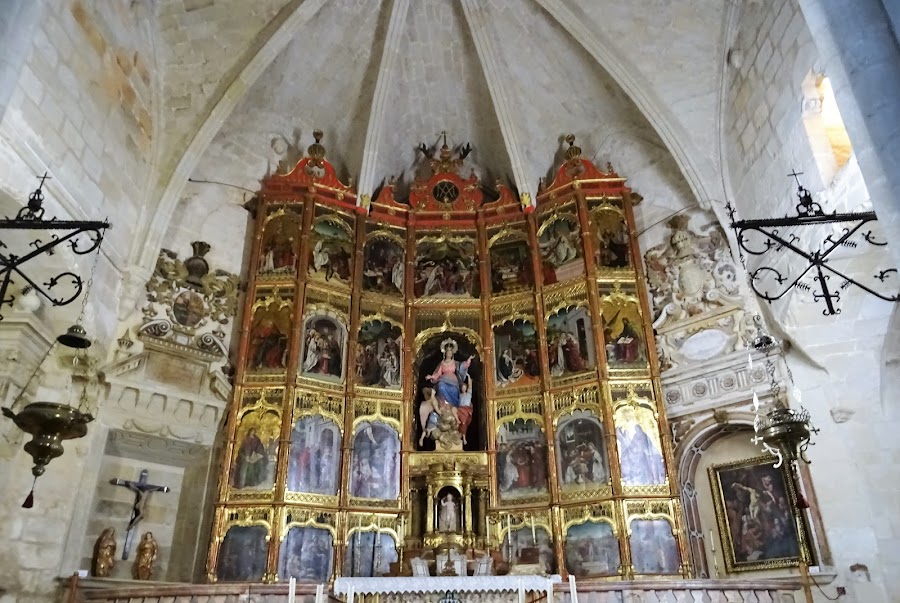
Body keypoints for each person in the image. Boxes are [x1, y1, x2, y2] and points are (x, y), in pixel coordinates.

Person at [425, 339, 474, 439]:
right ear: (445, 353)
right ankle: (443, 406)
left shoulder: (455, 363)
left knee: (454, 392)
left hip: (453, 382)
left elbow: (462, 367)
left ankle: (452, 408)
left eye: (450, 352)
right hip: (443, 380)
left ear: (452, 353)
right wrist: (431, 377)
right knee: (441, 386)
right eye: (447, 351)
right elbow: (438, 374)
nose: (449, 353)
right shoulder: (442, 364)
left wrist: (468, 360)